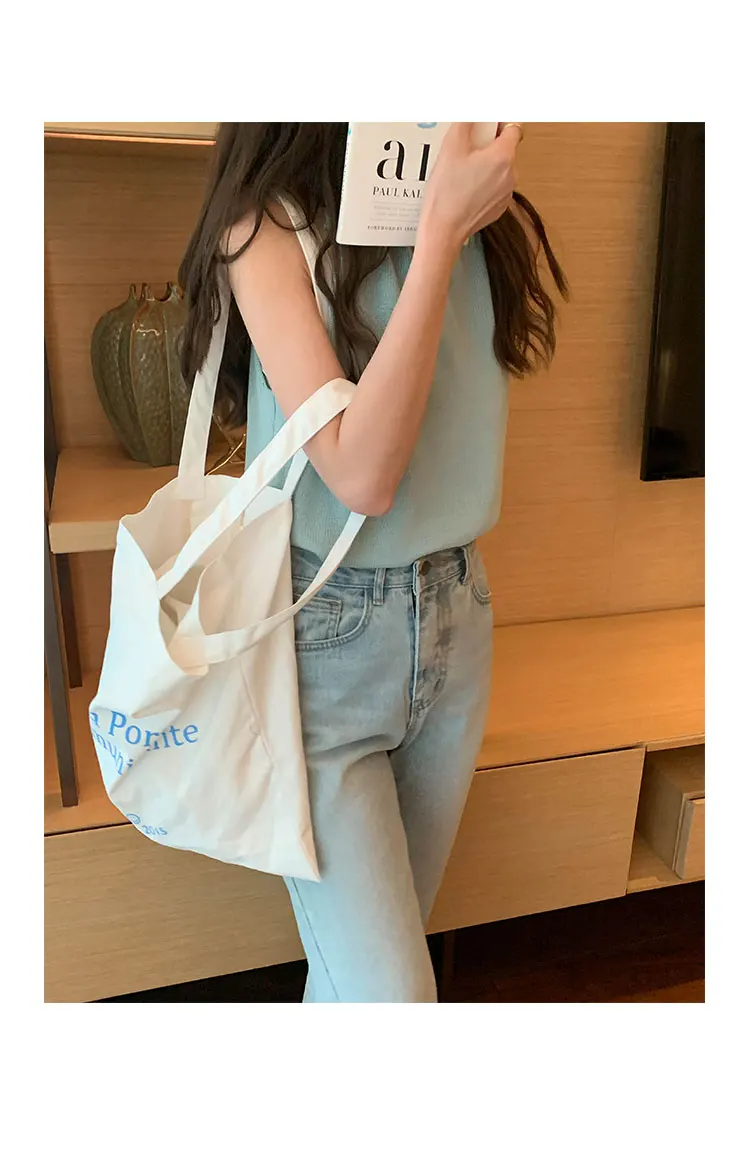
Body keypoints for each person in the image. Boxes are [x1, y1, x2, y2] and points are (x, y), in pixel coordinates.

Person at [179, 122, 568, 1003]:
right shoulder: (267, 223)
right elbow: (362, 474)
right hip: (327, 644)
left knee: (360, 989)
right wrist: (440, 235)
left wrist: (452, 217)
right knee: (391, 1000)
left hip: (457, 619)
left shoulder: (457, 194)